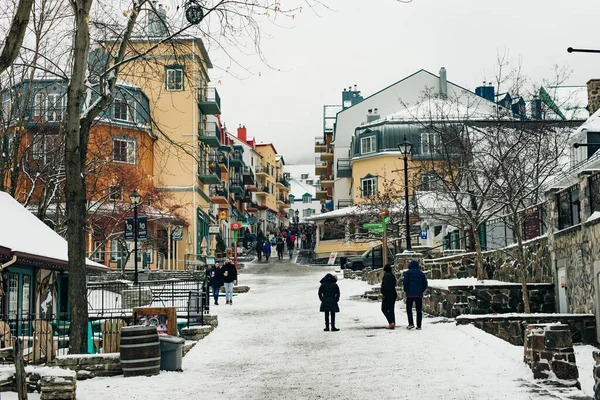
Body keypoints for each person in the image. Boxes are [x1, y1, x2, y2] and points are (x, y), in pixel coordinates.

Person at [403, 259, 428, 330]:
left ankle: (411, 323)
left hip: (410, 294)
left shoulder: (408, 273)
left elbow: (405, 283)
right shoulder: (421, 274)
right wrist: (421, 291)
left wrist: (406, 290)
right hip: (418, 295)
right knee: (419, 310)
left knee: (409, 309)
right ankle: (419, 325)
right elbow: (425, 284)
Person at [380, 264, 397, 329]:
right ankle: (393, 322)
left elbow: (385, 286)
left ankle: (391, 322)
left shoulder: (386, 276)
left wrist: (383, 292)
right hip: (393, 293)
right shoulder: (392, 276)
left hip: (387, 294)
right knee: (391, 309)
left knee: (384, 309)